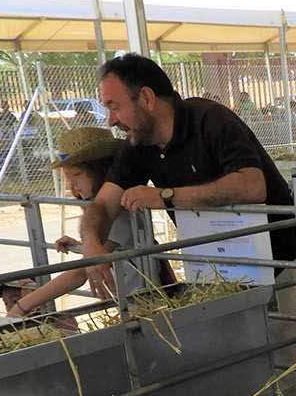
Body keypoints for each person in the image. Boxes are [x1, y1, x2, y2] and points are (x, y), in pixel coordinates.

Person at [79, 53, 296, 297]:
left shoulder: (211, 120)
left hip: (281, 266)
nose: (110, 121)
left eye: (115, 107)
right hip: (216, 273)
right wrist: (91, 243)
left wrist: (166, 196)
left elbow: (252, 186)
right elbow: (103, 204)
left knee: (287, 334)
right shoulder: (137, 144)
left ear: (146, 98)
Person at [10, 127, 175, 315]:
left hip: (147, 303)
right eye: (67, 177)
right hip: (136, 299)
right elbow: (114, 246)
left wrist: (22, 305)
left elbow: (79, 273)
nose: (72, 185)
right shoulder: (106, 210)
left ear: (100, 171)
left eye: (77, 175)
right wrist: (83, 245)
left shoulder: (120, 210)